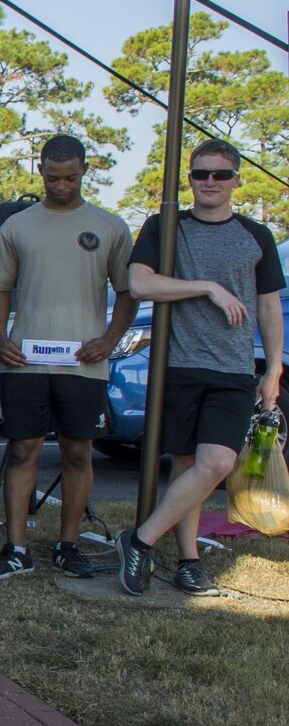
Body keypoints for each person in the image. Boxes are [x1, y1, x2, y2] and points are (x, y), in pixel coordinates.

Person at [119, 140, 284, 596]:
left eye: (220, 175)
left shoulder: (256, 235)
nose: (209, 182)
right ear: (188, 178)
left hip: (232, 371)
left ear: (236, 180)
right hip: (179, 365)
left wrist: (272, 370)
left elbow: (269, 307)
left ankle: (139, 540)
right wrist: (207, 286)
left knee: (216, 463)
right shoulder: (165, 227)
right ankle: (189, 561)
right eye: (200, 174)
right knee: (188, 463)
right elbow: (139, 283)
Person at [0, 134, 135, 581]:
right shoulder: (18, 226)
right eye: (52, 177)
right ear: (41, 171)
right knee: (22, 449)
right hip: (26, 361)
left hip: (85, 363)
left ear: (85, 170)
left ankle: (68, 546)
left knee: (78, 453)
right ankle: (16, 548)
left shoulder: (110, 226)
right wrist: (2, 341)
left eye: (69, 177)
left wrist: (109, 340)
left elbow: (127, 293)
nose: (61, 185)